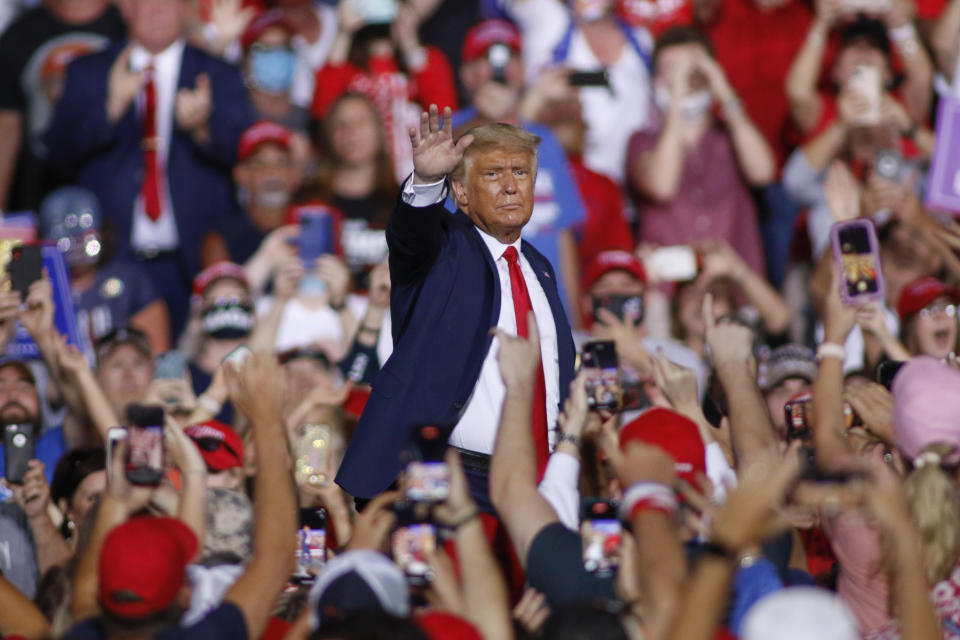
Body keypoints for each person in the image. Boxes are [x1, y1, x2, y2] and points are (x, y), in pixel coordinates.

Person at [336, 106, 576, 506]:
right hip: (457, 481)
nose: (511, 186)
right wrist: (428, 179)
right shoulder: (444, 250)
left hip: (542, 480)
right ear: (461, 193)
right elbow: (411, 236)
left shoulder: (541, 269)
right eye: (493, 174)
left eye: (520, 172)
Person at [43, 0, 256, 337]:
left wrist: (203, 130)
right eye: (145, 1)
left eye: (168, 2)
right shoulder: (89, 71)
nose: (157, 10)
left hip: (194, 257)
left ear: (185, 9)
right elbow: (57, 157)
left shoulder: (218, 73)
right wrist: (109, 109)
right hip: (113, 260)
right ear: (126, 8)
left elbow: (246, 156)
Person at [451, 19, 587, 326]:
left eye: (508, 58)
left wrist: (573, 321)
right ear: (467, 75)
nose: (498, 70)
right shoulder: (451, 132)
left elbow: (563, 234)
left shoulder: (544, 141)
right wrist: (487, 119)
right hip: (482, 312)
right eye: (485, 60)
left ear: (522, 71)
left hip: (546, 310)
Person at [626, 26, 773, 277]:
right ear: (655, 80)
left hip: (734, 288)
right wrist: (675, 101)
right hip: (669, 289)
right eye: (671, 69)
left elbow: (764, 172)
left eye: (694, 67)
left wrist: (723, 89)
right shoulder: (642, 142)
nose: (684, 77)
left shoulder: (732, 133)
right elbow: (662, 186)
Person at [503, 0, 655, 184]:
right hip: (558, 187)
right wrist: (537, 95)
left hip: (624, 196)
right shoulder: (550, 23)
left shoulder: (642, 41)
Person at [0, 0, 125, 211]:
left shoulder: (125, 25)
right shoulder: (19, 34)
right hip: (37, 194)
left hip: (116, 198)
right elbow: (6, 128)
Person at [39, 185, 170, 352]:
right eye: (66, 243)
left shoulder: (131, 282)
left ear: (102, 233)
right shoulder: (37, 287)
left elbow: (155, 354)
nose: (77, 249)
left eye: (85, 239)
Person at [895, 277, 959, 360]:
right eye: (930, 310)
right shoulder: (898, 372)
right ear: (910, 327)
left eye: (947, 307)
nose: (941, 315)